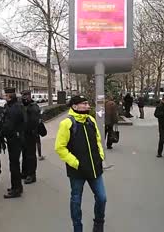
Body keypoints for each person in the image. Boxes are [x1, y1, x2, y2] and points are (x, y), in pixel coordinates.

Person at [55, 96, 106, 232]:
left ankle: (98, 226)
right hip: (77, 171)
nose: (87, 105)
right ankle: (77, 228)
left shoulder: (91, 120)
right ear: (74, 106)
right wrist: (76, 163)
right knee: (76, 201)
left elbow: (98, 140)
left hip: (95, 168)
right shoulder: (66, 123)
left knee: (102, 198)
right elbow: (60, 147)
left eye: (87, 103)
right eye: (84, 104)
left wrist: (100, 157)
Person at [0, 87, 25, 199]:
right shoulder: (12, 106)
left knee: (14, 164)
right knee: (13, 163)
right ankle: (16, 186)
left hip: (15, 138)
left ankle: (16, 189)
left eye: (6, 95)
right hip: (14, 138)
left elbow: (9, 124)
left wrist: (2, 133)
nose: (4, 97)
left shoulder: (15, 107)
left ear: (10, 96)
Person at [21, 90, 41, 184]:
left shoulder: (33, 106)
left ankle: (32, 175)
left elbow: (34, 121)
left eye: (26, 96)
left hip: (31, 134)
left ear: (29, 96)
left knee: (31, 155)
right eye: (23, 96)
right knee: (25, 154)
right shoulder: (23, 105)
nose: (24, 97)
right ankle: (25, 172)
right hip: (23, 134)